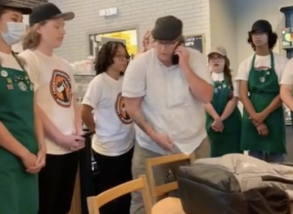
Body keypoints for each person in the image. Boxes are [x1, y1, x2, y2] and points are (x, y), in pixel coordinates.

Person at [122, 15, 213, 214]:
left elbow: (206, 96)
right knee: (143, 199)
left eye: (169, 43)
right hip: (151, 145)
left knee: (199, 197)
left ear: (179, 43)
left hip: (193, 142)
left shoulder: (194, 58)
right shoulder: (140, 64)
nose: (163, 49)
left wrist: (185, 67)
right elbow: (132, 107)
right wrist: (154, 135)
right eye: (159, 43)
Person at [18, 3, 85, 214]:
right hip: (49, 149)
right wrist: (58, 137)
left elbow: (72, 100)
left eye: (63, 26)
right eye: (57, 26)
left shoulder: (63, 63)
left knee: (63, 206)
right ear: (38, 27)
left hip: (70, 146)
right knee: (46, 206)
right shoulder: (28, 59)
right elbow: (33, 105)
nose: (63, 31)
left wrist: (78, 130)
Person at [0, 0, 46, 214]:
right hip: (5, 162)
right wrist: (24, 154)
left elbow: (33, 110)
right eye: (13, 19)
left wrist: (42, 147)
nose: (19, 25)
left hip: (31, 161)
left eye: (20, 20)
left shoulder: (21, 63)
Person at [81, 41, 134, 214]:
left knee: (127, 192)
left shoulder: (126, 80)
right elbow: (85, 110)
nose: (124, 59)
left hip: (127, 145)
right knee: (110, 195)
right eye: (119, 56)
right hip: (108, 149)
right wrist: (95, 129)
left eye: (125, 55)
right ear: (108, 58)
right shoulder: (99, 82)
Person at [236, 19, 288, 162]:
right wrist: (257, 121)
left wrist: (264, 115)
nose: (257, 37)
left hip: (273, 116)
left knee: (276, 165)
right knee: (254, 165)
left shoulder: (282, 62)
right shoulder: (245, 64)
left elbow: (283, 93)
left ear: (269, 36)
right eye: (254, 33)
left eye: (261, 33)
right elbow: (242, 95)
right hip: (252, 119)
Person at [205, 46, 242, 157]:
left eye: (219, 58)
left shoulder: (234, 78)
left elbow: (234, 101)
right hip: (212, 125)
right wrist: (216, 119)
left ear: (225, 61)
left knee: (234, 158)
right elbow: (204, 101)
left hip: (231, 126)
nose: (216, 61)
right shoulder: (205, 79)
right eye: (213, 58)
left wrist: (221, 119)